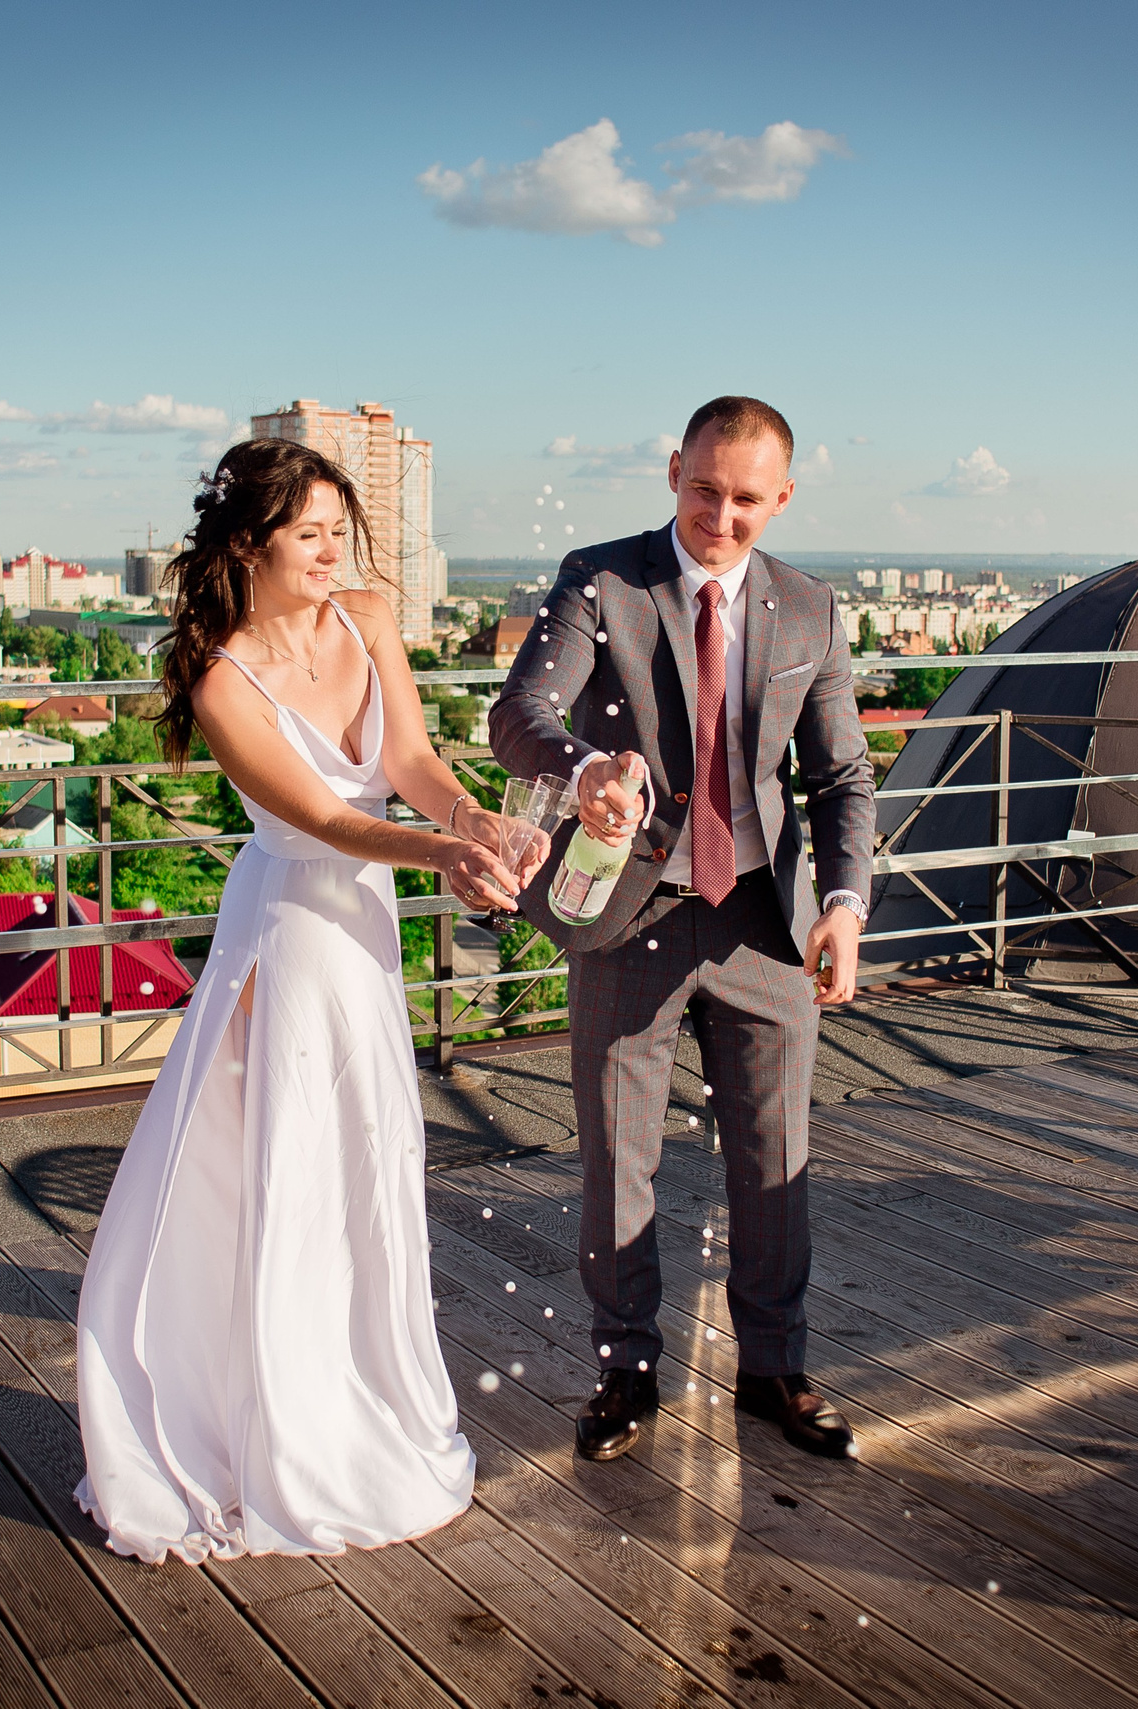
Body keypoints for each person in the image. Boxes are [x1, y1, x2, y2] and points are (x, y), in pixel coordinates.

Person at [75, 438, 524, 1562]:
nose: (333, 555)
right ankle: (270, 1432)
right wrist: (438, 854)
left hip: (362, 928)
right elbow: (323, 821)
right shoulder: (219, 676)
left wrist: (475, 821)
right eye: (309, 536)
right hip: (286, 929)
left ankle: (365, 1401)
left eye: (341, 532)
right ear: (247, 545)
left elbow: (412, 760)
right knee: (283, 1175)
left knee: (368, 1166)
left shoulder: (369, 615)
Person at [489, 396, 876, 1463]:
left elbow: (840, 777)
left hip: (763, 918)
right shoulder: (600, 579)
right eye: (704, 488)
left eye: (747, 498)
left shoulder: (810, 607)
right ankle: (624, 1372)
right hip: (629, 914)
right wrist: (585, 770)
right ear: (672, 471)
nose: (721, 514)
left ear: (781, 498)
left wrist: (842, 905)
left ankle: (775, 1370)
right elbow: (517, 716)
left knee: (774, 1157)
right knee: (619, 1159)